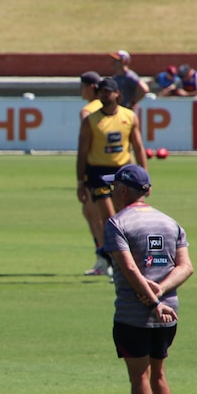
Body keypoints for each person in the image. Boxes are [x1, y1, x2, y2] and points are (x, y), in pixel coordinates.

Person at [101, 164, 193, 394]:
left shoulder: (117, 223)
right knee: (160, 374)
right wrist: (162, 292)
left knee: (139, 377)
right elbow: (186, 267)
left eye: (114, 187)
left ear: (124, 190)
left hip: (134, 314)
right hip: (169, 313)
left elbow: (128, 269)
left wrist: (152, 300)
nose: (112, 192)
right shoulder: (170, 222)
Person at [75, 77, 147, 279]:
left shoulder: (129, 117)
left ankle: (130, 260)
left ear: (118, 94)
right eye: (101, 92)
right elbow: (82, 152)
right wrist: (81, 182)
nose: (104, 95)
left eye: (108, 91)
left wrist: (144, 177)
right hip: (98, 172)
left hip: (123, 171)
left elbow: (139, 147)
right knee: (111, 220)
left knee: (126, 217)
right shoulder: (91, 121)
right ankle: (117, 265)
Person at [77, 71, 111, 277]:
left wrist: (82, 176)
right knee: (92, 213)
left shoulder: (88, 111)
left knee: (95, 213)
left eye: (82, 86)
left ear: (91, 87)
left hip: (94, 168)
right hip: (111, 167)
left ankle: (106, 258)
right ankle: (103, 257)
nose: (80, 90)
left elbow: (86, 145)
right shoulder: (110, 108)